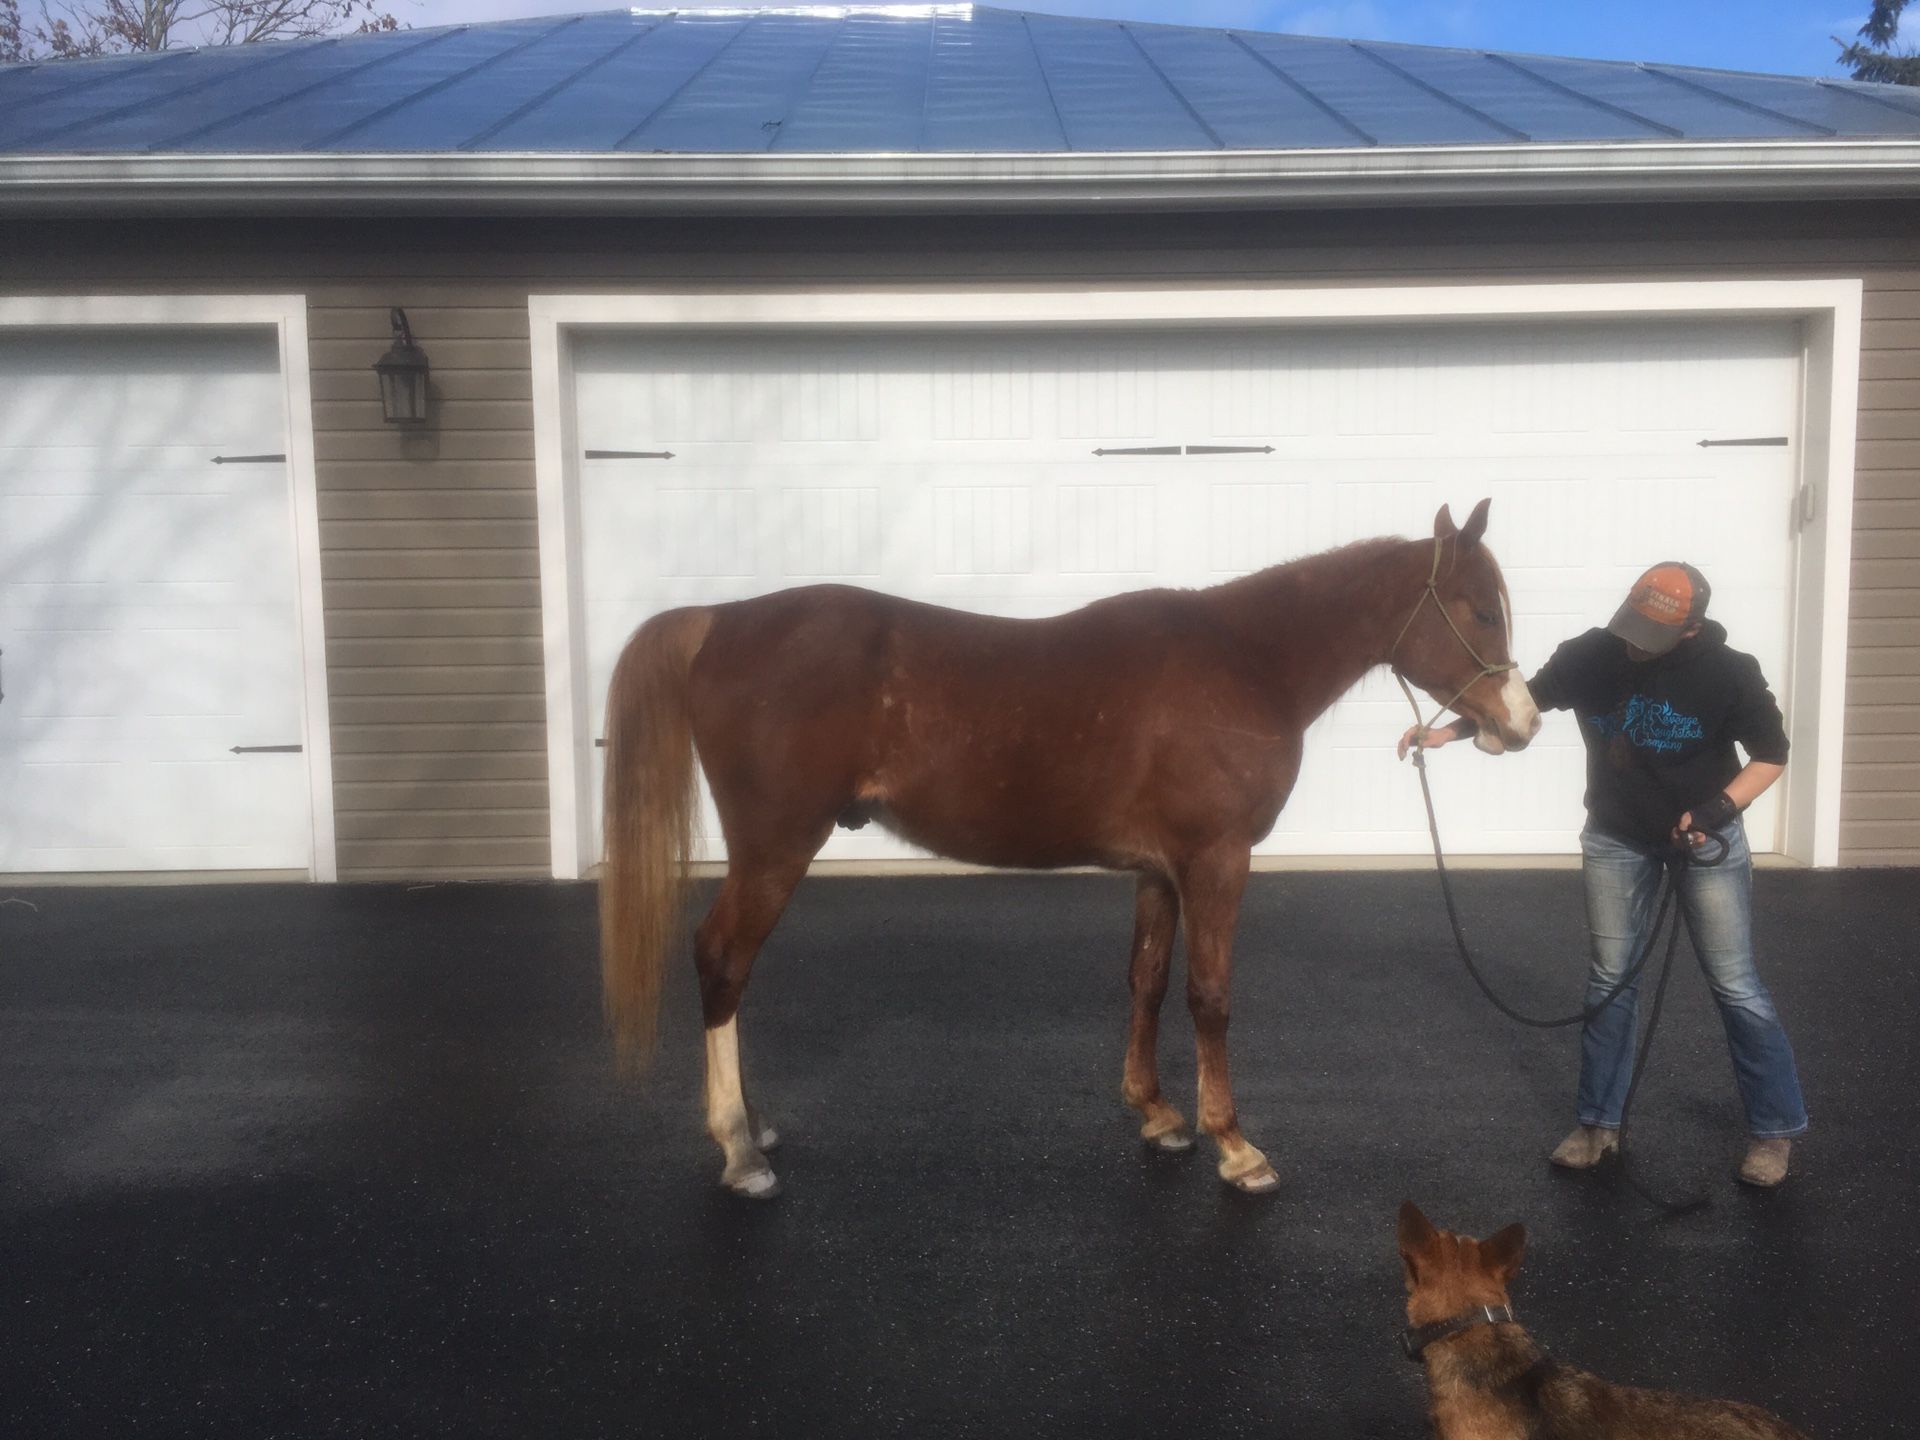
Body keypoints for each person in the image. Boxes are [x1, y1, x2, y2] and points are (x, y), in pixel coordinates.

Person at [1400, 562, 1807, 1188]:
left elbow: (1771, 756)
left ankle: (1773, 1132)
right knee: (1610, 982)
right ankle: (1598, 1125)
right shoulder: (1592, 654)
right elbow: (1524, 700)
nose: (1635, 643)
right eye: (1633, 625)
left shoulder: (1730, 673)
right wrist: (1448, 731)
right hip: (1617, 838)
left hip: (1704, 839)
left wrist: (1718, 809)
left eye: (1654, 633)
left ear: (1692, 628)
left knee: (1735, 985)